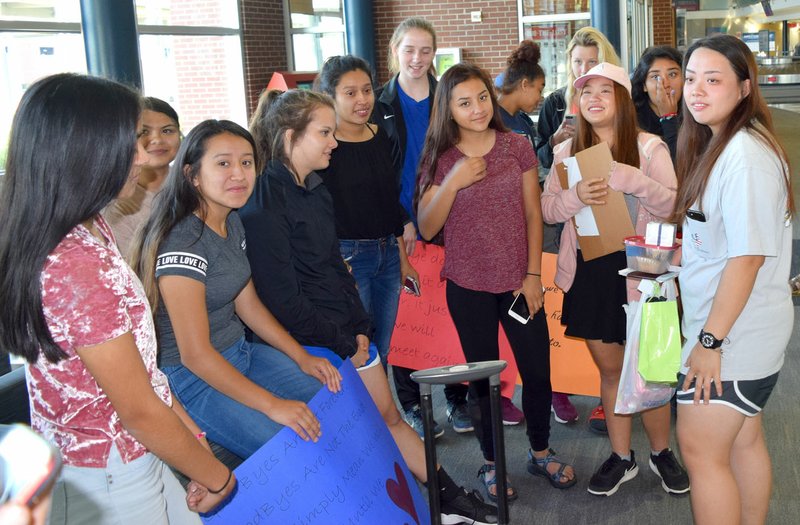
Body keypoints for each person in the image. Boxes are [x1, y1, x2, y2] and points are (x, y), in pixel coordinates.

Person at [241, 88, 498, 525]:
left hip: (343, 333)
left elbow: (331, 266)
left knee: (387, 419)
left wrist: (360, 326)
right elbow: (282, 298)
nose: (334, 142)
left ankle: (447, 499)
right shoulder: (263, 203)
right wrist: (344, 340)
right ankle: (432, 502)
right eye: (324, 133)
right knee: (356, 436)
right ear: (289, 138)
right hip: (310, 346)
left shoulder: (315, 188)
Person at [0, 73, 234, 524]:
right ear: (87, 152)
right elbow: (139, 412)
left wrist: (195, 445)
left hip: (129, 454)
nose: (144, 156)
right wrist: (220, 477)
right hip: (108, 470)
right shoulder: (77, 267)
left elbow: (144, 374)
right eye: (132, 142)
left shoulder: (87, 225)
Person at [132, 120, 341, 461]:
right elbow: (195, 356)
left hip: (240, 352)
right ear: (192, 175)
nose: (239, 174)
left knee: (332, 402)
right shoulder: (183, 243)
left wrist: (301, 356)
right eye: (223, 163)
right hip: (195, 378)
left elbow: (249, 305)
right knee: (293, 449)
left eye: (246, 162)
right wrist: (274, 406)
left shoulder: (230, 218)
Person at [416, 63, 577, 501]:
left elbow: (531, 215)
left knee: (538, 374)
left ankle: (540, 451)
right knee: (483, 381)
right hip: (467, 287)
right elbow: (427, 227)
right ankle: (491, 463)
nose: (477, 109)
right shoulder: (440, 157)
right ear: (447, 110)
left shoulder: (517, 146)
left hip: (517, 285)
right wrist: (453, 181)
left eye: (482, 98)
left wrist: (531, 277)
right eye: (464, 102)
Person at [540, 62, 689, 497]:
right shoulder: (566, 154)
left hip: (644, 275)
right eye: (587, 92)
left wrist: (635, 181)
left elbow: (675, 206)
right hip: (591, 275)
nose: (594, 99)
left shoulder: (649, 148)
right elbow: (548, 210)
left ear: (622, 100)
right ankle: (622, 458)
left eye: (606, 90)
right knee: (611, 371)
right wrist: (573, 197)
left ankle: (661, 452)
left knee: (653, 369)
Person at [674, 34, 794, 524]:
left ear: (745, 87)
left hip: (731, 339)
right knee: (742, 441)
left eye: (713, 80)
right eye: (691, 78)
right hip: (744, 333)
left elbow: (747, 260)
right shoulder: (725, 144)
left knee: (703, 457)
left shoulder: (744, 156)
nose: (696, 90)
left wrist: (709, 341)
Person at [371, 17, 475, 437]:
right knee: (409, 314)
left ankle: (456, 398)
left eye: (425, 51)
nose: (417, 58)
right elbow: (378, 174)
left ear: (435, 54)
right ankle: (413, 405)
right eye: (409, 49)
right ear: (395, 50)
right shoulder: (377, 106)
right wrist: (402, 222)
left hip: (451, 214)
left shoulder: (447, 97)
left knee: (453, 311)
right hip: (404, 223)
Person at [536, 27, 621, 431]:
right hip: (572, 239)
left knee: (619, 339)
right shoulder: (556, 102)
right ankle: (566, 388)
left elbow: (663, 199)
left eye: (592, 61)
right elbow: (542, 178)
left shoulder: (632, 126)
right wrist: (556, 144)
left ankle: (617, 399)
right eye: (578, 63)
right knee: (570, 317)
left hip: (624, 246)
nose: (584, 71)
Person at [314, 55, 419, 373]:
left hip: (388, 253)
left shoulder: (380, 136)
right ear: (331, 96)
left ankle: (381, 415)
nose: (362, 100)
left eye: (367, 90)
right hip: (348, 256)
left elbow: (388, 202)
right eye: (350, 93)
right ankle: (363, 418)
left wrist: (403, 259)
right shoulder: (324, 147)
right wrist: (336, 265)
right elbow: (319, 213)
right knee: (358, 347)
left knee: (385, 346)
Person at [497, 39, 580, 426]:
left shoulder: (521, 123)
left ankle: (549, 389)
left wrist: (552, 143)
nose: (540, 98)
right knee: (512, 317)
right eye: (539, 90)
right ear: (526, 84)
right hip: (504, 236)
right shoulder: (497, 121)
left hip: (531, 226)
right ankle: (501, 391)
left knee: (536, 310)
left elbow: (534, 167)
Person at [104, 97, 181, 259]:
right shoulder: (117, 201)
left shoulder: (196, 183)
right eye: (144, 132)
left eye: (167, 130)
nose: (157, 140)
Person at [631, 46, 684, 162]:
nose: (665, 84)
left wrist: (669, 118)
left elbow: (683, 168)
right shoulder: (632, 118)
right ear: (644, 85)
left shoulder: (695, 116)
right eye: (655, 77)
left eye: (673, 74)